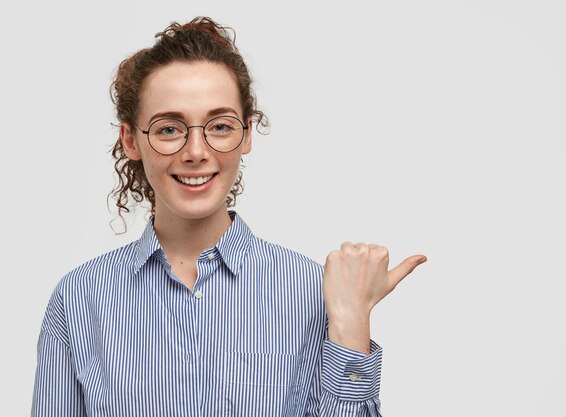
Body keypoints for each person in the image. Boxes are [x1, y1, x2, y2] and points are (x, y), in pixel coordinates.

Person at [31, 16, 427, 417]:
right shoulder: (79, 299)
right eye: (169, 129)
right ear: (131, 139)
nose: (196, 151)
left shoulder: (314, 291)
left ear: (247, 133)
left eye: (219, 125)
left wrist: (351, 322)